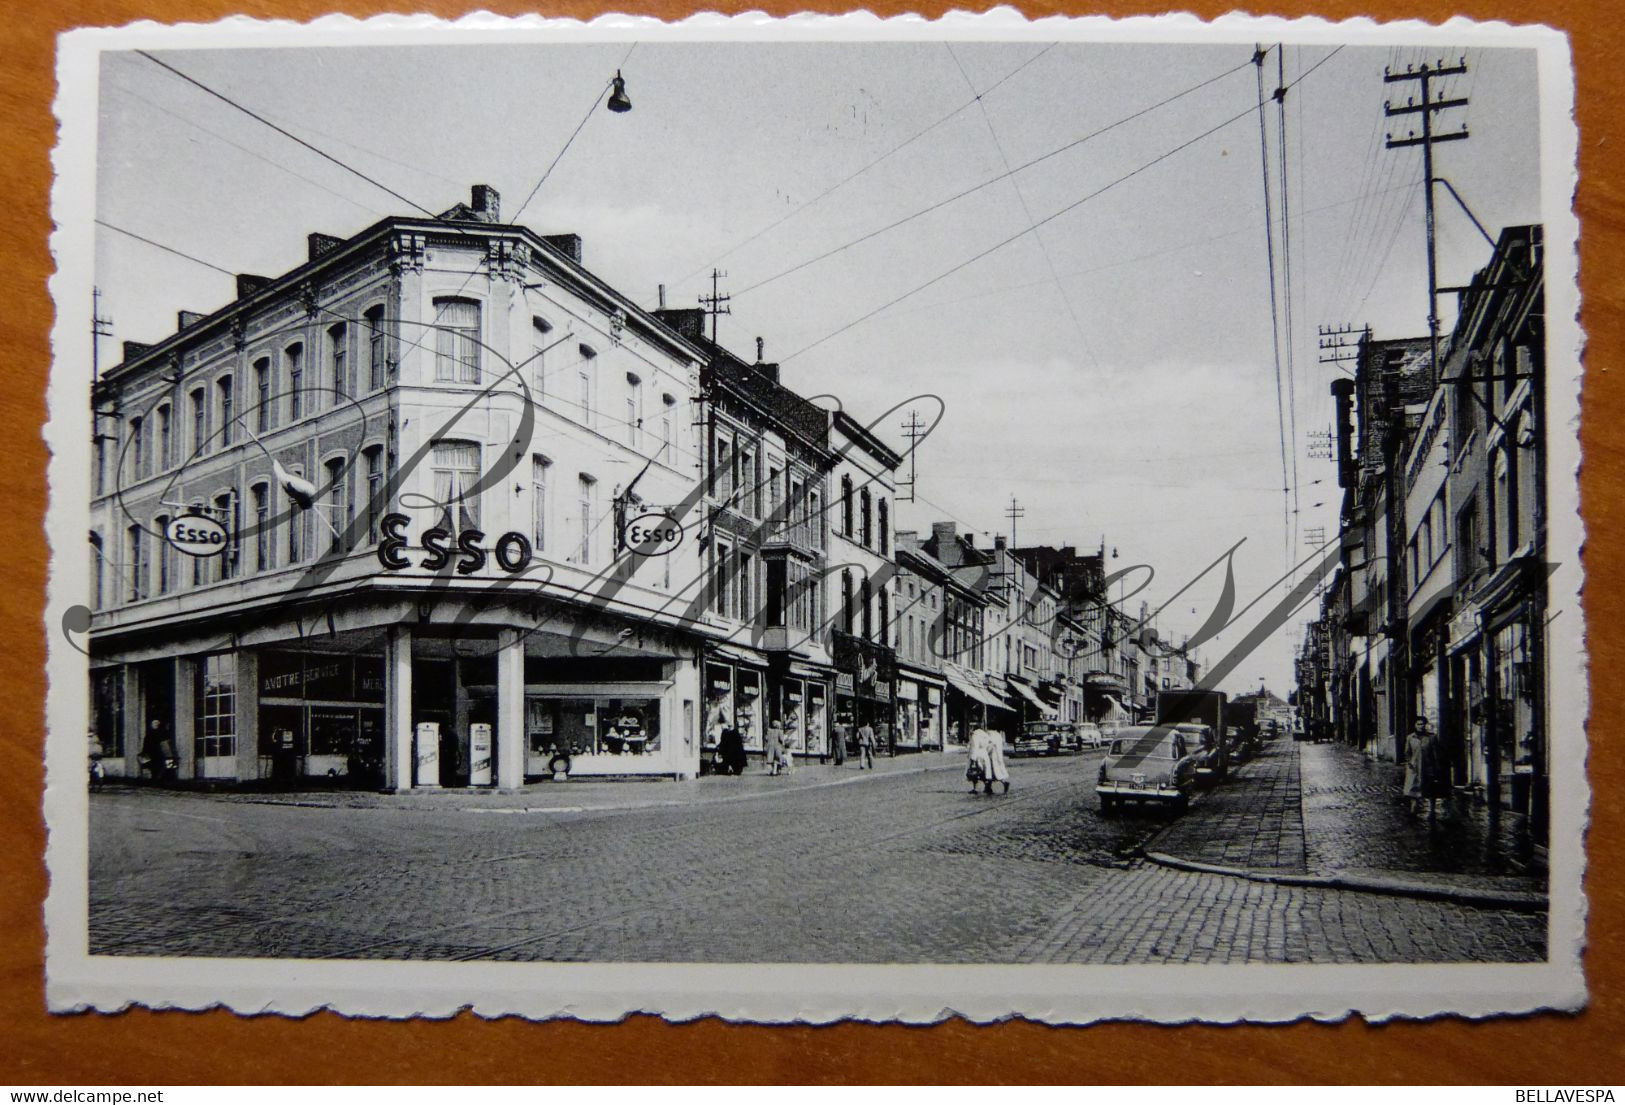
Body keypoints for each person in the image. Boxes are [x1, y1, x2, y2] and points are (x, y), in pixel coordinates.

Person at [1402, 716, 1430, 817]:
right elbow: (1407, 752)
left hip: (1425, 765)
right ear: (1415, 725)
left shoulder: (1428, 737)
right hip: (1414, 766)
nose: (1420, 726)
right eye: (1418, 724)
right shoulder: (1410, 737)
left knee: (1427, 787)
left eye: (1422, 724)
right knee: (1413, 787)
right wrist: (1410, 762)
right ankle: (1413, 807)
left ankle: (1430, 809)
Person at [984, 727, 1011, 794]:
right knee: (993, 773)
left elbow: (990, 746)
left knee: (992, 772)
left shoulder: (991, 735)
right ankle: (988, 787)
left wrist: (985, 752)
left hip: (992, 757)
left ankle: (1004, 783)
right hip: (997, 756)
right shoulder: (998, 735)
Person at [967, 728, 994, 795]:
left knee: (975, 772)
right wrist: (987, 752)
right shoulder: (985, 735)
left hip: (977, 755)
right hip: (984, 754)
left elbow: (974, 747)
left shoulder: (975, 735)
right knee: (985, 772)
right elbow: (990, 745)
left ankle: (975, 788)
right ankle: (988, 787)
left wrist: (973, 759)